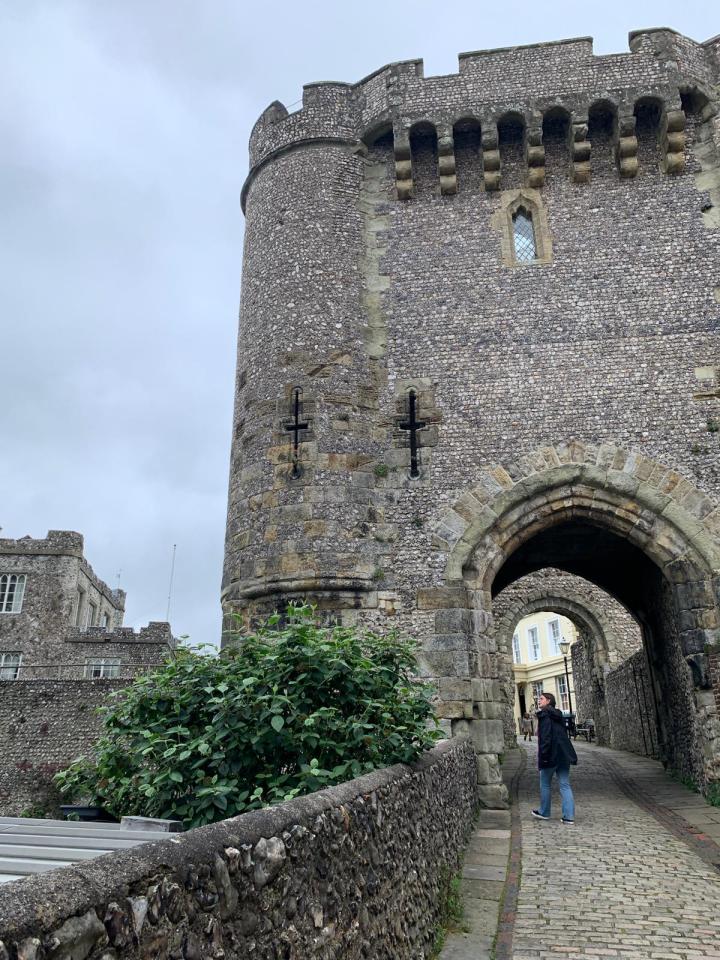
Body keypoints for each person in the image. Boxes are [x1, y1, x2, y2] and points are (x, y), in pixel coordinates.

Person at [532, 691, 577, 824]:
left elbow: (546, 738)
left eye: (541, 699)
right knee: (564, 784)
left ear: (548, 701)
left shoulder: (545, 716)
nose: (538, 700)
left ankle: (544, 812)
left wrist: (544, 757)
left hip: (551, 755)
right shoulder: (558, 715)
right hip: (563, 754)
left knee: (545, 784)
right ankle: (569, 816)